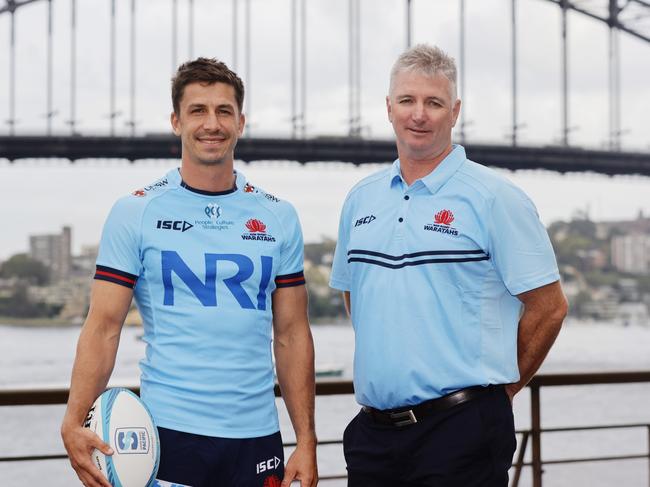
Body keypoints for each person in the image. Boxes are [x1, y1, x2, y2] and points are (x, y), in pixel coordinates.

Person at [61, 58, 318, 487]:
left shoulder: (279, 217)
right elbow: (104, 327)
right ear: (176, 121)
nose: (211, 123)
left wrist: (306, 441)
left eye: (223, 111)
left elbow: (292, 333)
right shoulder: (135, 212)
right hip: (168, 437)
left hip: (257, 438)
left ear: (241, 122)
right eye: (198, 110)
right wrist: (73, 421)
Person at [329, 44, 568, 487]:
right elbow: (354, 295)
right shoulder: (360, 198)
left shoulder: (495, 198)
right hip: (372, 435)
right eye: (407, 100)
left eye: (433, 103)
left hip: (462, 432)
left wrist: (499, 391)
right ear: (388, 107)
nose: (419, 114)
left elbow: (549, 307)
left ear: (454, 111)